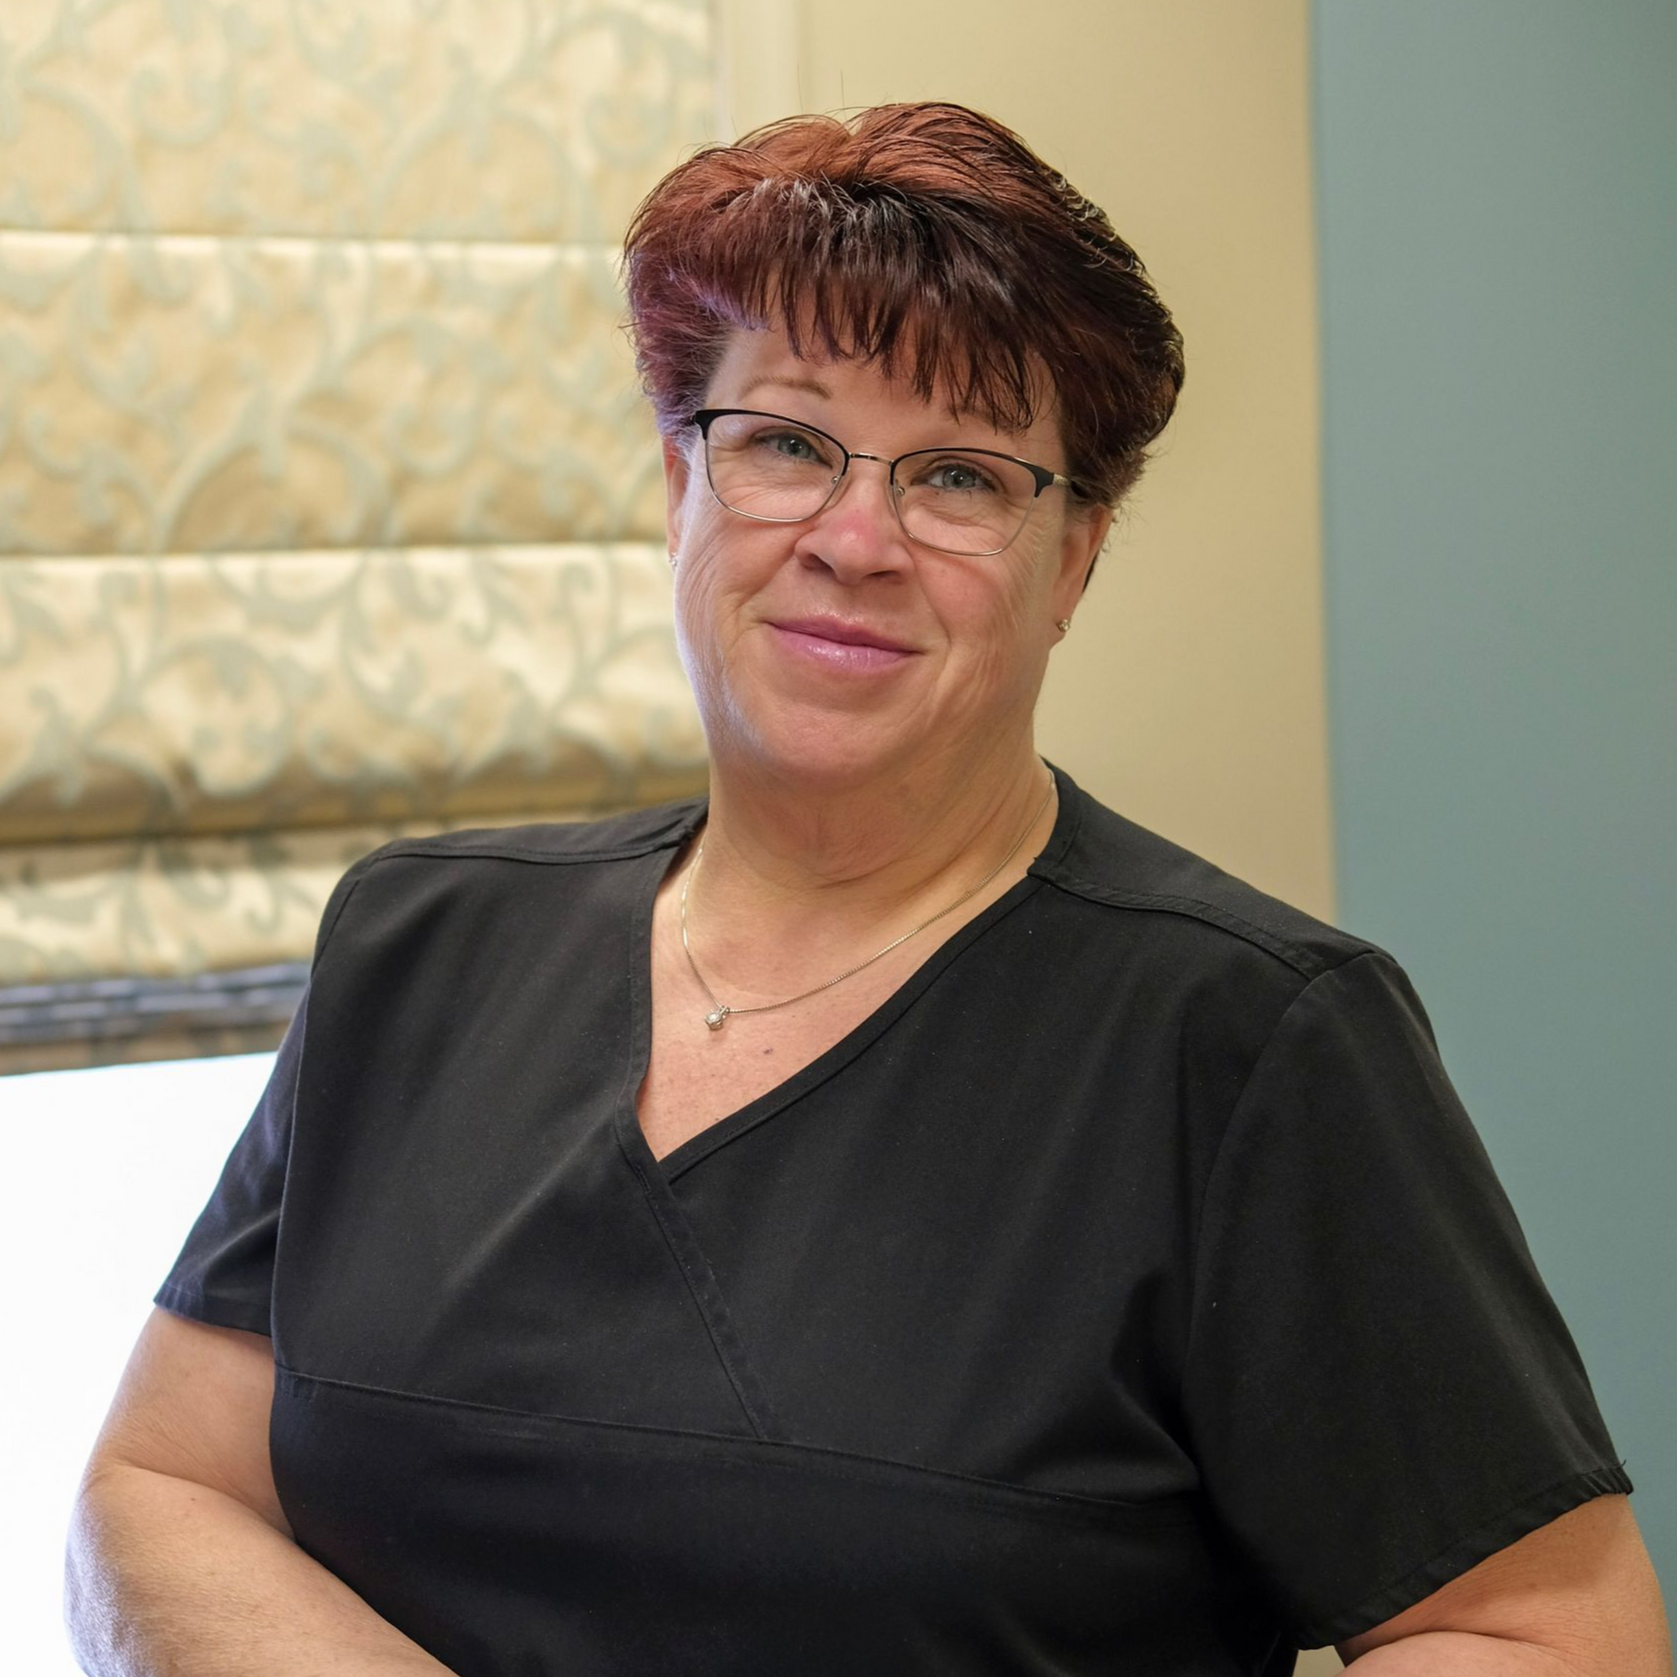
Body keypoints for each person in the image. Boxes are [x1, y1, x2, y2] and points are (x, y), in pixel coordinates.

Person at [65, 102, 1670, 1677]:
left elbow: (1546, 1635)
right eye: (784, 444)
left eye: (959, 475)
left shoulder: (1253, 1042)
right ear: (680, 487)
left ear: (1075, 558)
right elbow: (164, 1485)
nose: (856, 538)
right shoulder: (421, 942)